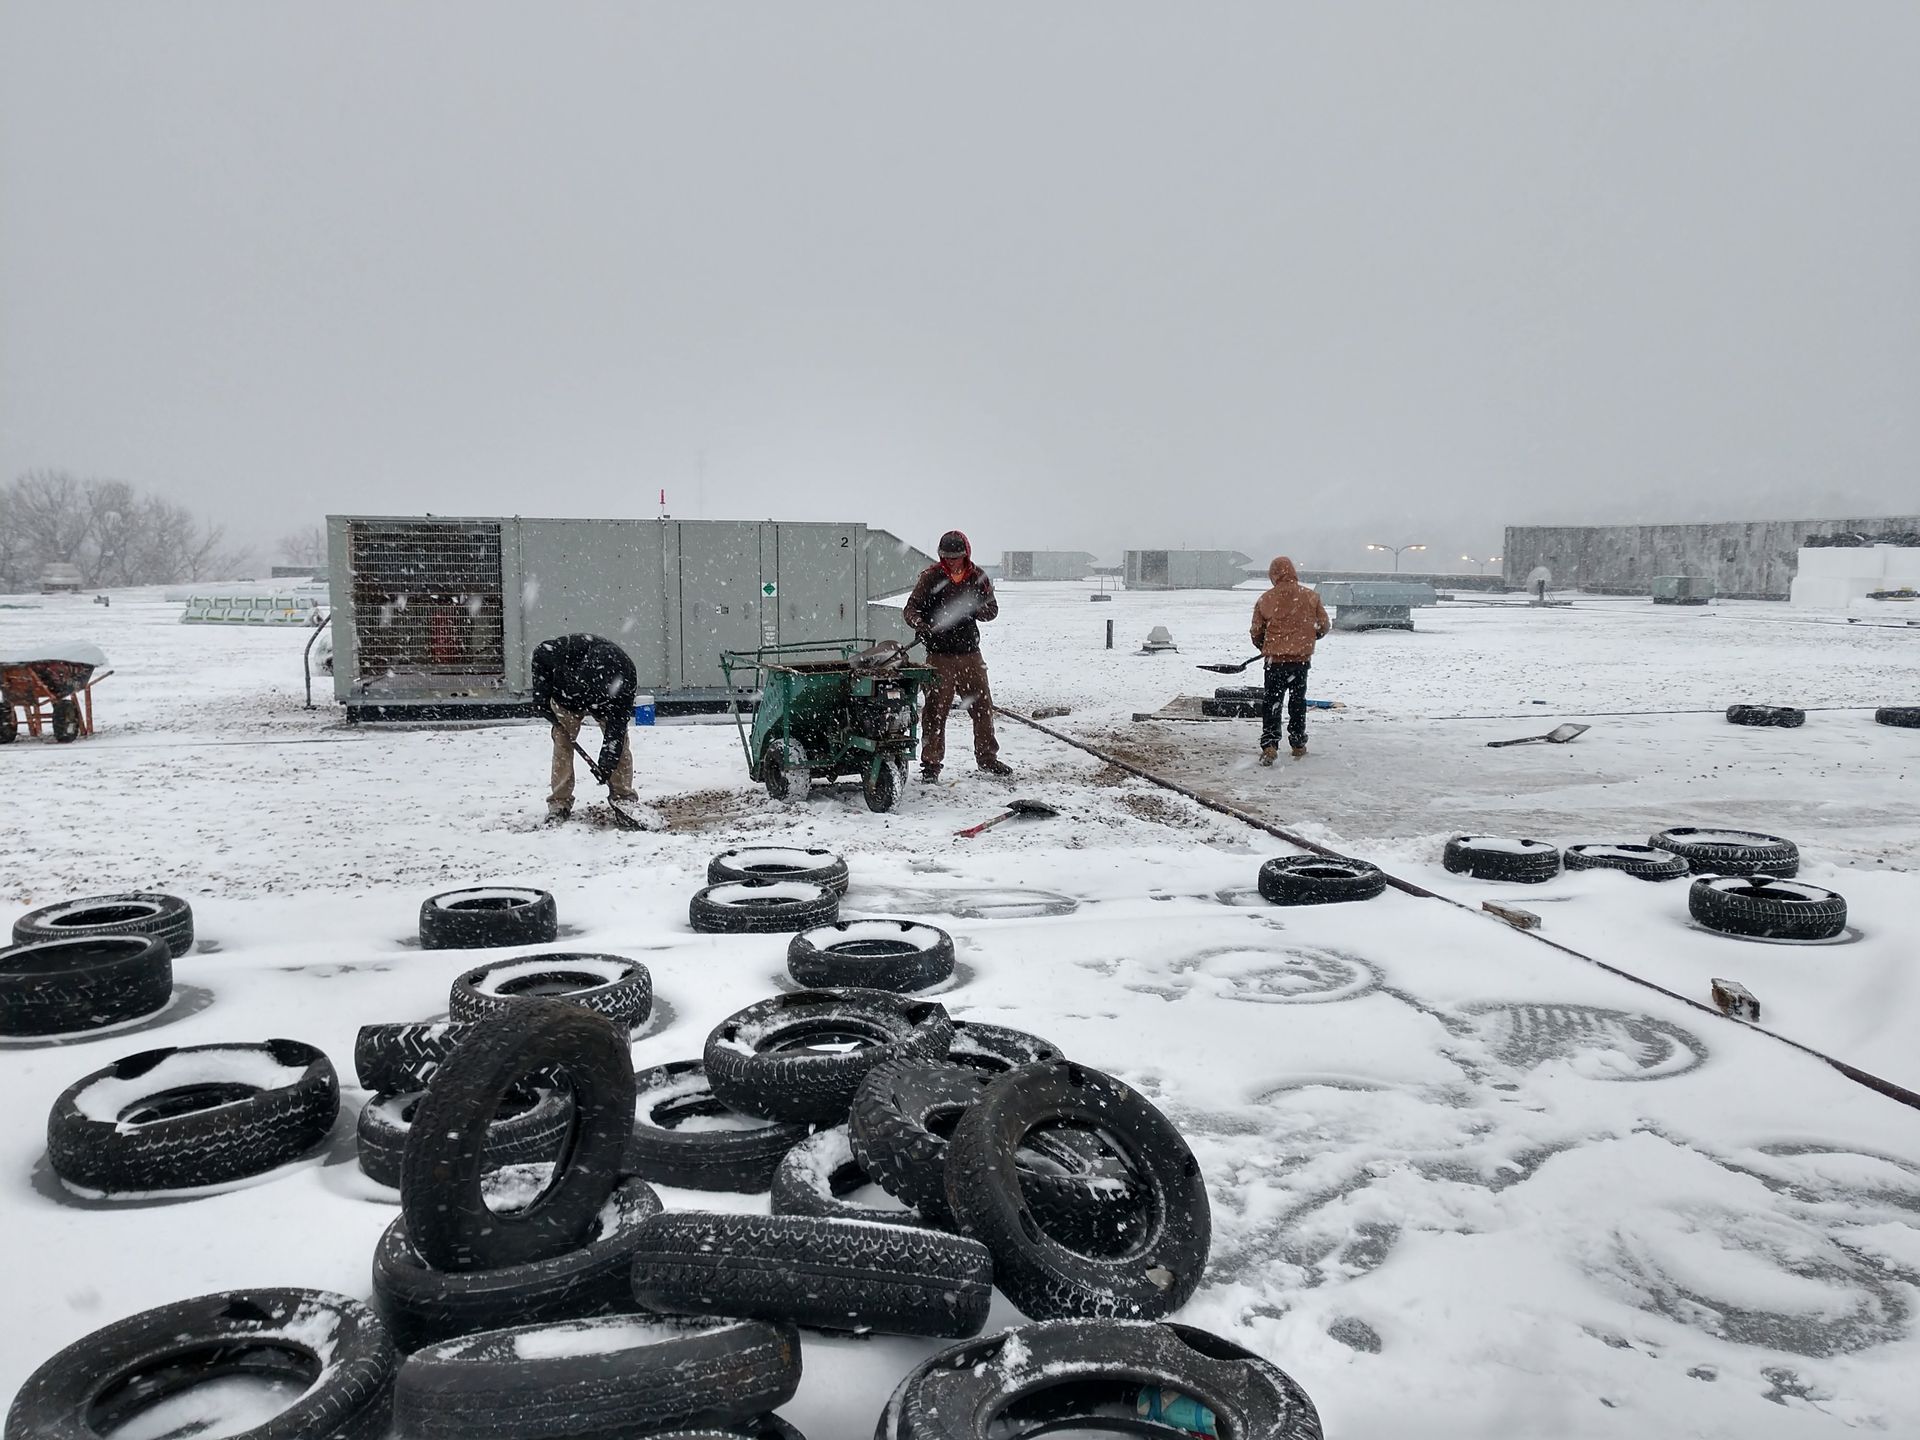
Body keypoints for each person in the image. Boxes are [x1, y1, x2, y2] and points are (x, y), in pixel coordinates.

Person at [903, 530, 1013, 782]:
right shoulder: (930, 577)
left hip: (970, 655)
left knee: (982, 706)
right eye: (946, 557)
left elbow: (992, 610)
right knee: (934, 710)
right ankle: (931, 764)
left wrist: (973, 609)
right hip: (939, 657)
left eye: (955, 557)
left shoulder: (978, 577)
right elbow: (910, 609)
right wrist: (920, 623)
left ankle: (987, 758)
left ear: (965, 555)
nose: (951, 561)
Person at [530, 633, 639, 823]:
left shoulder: (626, 677)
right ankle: (559, 803)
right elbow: (541, 654)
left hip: (608, 706)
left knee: (620, 746)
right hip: (567, 697)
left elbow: (617, 727)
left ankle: (623, 798)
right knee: (563, 742)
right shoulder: (568, 650)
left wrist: (607, 763)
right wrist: (541, 692)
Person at [1249, 556, 1330, 765]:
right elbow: (1324, 625)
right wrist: (1308, 639)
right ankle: (1297, 743)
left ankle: (1269, 744)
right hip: (1300, 661)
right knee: (1297, 702)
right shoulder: (1311, 596)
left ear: (1273, 574)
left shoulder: (1266, 599)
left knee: (1272, 702)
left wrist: (1264, 646)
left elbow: (1257, 631)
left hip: (1274, 661)